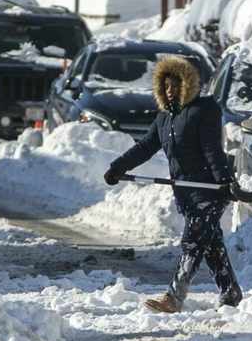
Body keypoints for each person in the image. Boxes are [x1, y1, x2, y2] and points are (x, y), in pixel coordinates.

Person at [103, 56, 242, 313]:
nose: (170, 91)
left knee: (192, 242)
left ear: (188, 84)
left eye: (175, 85)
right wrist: (118, 167)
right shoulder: (164, 119)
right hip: (187, 192)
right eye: (166, 86)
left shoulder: (204, 110)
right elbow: (145, 147)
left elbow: (212, 150)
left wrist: (224, 181)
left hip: (209, 189)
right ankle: (230, 292)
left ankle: (174, 297)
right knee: (211, 245)